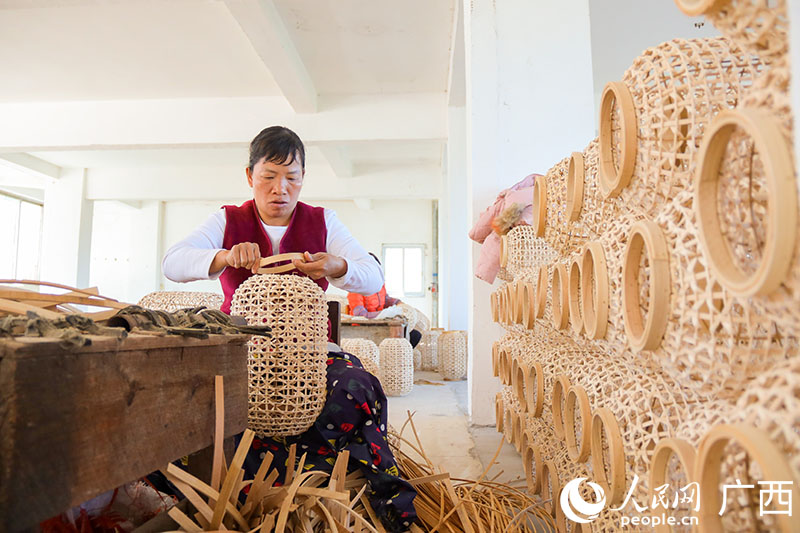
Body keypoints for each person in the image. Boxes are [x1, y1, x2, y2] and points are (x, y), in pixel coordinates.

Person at [162, 126, 416, 532]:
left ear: (302, 180)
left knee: (358, 388)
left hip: (310, 353)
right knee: (191, 398)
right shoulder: (228, 219)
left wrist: (338, 266)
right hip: (242, 354)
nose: (281, 189)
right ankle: (234, 494)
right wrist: (224, 255)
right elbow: (172, 263)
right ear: (250, 177)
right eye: (268, 177)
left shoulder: (322, 221)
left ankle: (319, 487)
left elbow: (372, 276)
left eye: (292, 178)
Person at [347, 253, 422, 347]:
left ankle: (400, 358)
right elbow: (359, 314)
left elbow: (386, 299)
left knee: (414, 335)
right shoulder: (356, 289)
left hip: (382, 325)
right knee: (398, 340)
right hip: (365, 329)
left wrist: (399, 303)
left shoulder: (379, 285)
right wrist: (384, 314)